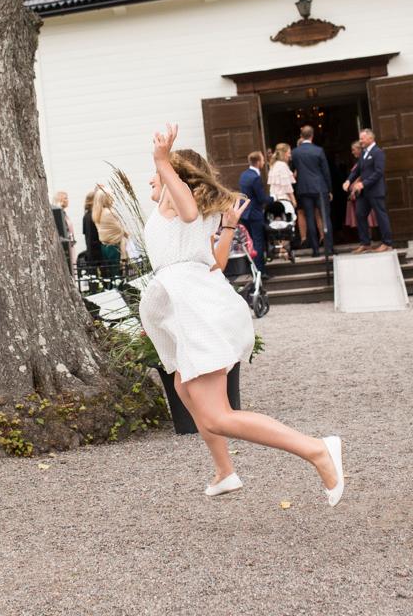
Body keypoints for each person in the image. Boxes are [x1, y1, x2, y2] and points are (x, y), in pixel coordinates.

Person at [139, 124, 345, 507]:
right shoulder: (187, 212)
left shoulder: (174, 199)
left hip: (196, 311)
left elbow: (184, 210)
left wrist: (161, 160)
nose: (151, 177)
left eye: (158, 172)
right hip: (194, 305)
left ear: (174, 176)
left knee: (218, 415)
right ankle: (224, 471)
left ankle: (317, 450)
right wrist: (229, 226)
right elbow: (215, 263)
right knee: (185, 389)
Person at [346, 128, 394, 253]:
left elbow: (379, 172)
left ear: (370, 138)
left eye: (362, 138)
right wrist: (348, 181)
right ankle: (365, 243)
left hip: (375, 191)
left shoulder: (378, 152)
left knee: (380, 215)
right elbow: (357, 170)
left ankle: (387, 243)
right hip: (364, 192)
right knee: (360, 214)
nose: (360, 141)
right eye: (360, 138)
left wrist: (363, 184)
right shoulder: (363, 153)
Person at [291, 125, 334, 257]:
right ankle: (328, 248)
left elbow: (294, 170)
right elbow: (326, 171)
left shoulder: (295, 152)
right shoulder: (318, 150)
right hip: (320, 187)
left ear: (301, 136)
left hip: (304, 188)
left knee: (309, 218)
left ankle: (315, 250)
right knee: (325, 217)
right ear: (312, 136)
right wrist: (330, 189)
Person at [238, 151, 273, 276]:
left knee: (250, 242)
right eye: (263, 160)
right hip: (254, 214)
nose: (263, 162)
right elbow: (262, 198)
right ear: (258, 162)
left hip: (245, 214)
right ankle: (260, 271)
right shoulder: (255, 177)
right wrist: (273, 198)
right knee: (258, 242)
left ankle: (252, 269)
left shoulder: (244, 175)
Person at [342, 141, 377, 236]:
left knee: (365, 216)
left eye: (353, 150)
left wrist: (353, 190)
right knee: (360, 216)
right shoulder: (359, 161)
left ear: (359, 149)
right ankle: (365, 240)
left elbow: (361, 177)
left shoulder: (364, 162)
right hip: (356, 193)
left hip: (361, 191)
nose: (352, 152)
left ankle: (368, 238)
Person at [91, 187, 127, 274]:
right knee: (117, 273)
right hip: (114, 247)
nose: (113, 199)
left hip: (105, 246)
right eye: (111, 197)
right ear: (106, 199)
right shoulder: (109, 212)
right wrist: (125, 233)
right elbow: (119, 229)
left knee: (110, 272)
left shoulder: (97, 212)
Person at [80, 188, 104, 270]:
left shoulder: (86, 216)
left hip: (92, 252)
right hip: (96, 254)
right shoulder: (92, 216)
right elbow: (91, 237)